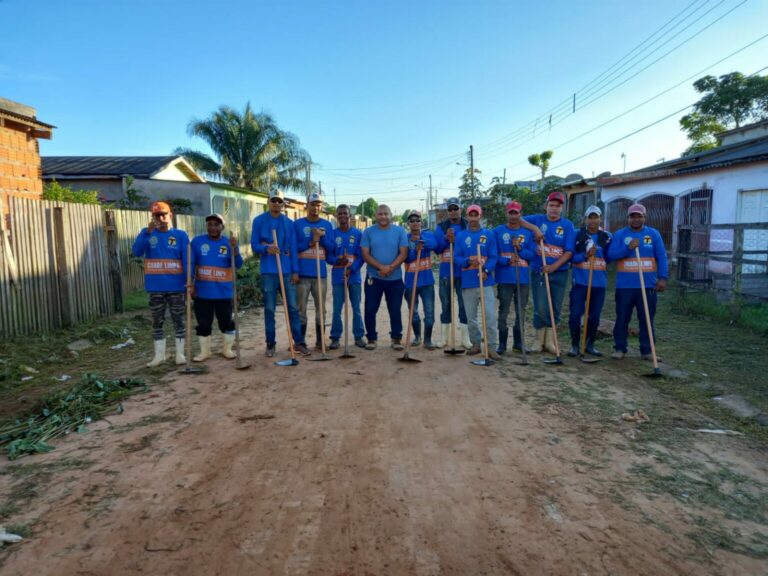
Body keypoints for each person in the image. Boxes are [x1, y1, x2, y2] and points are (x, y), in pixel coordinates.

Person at [250, 190, 310, 357]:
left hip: (286, 271)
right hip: (268, 272)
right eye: (273, 200)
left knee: (292, 308)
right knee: (269, 309)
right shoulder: (259, 221)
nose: (276, 203)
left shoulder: (288, 223)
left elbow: (294, 248)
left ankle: (298, 342)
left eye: (279, 201)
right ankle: (270, 344)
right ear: (268, 202)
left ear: (283, 204)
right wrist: (266, 248)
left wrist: (295, 271)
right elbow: (254, 244)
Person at [131, 201, 189, 367]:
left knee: (178, 319)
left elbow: (187, 259)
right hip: (155, 287)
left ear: (170, 215)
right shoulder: (147, 233)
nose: (161, 217)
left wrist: (189, 280)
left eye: (164, 214)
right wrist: (147, 234)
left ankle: (180, 354)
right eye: (157, 215)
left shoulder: (180, 235)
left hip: (176, 287)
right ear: (152, 217)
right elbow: (136, 252)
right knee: (157, 321)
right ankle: (159, 355)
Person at [607, 203, 668, 360]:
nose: (636, 219)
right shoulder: (620, 234)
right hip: (625, 286)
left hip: (647, 285)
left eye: (639, 216)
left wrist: (662, 278)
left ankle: (647, 351)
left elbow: (661, 256)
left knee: (647, 318)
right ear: (628, 218)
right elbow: (611, 255)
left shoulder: (653, 234)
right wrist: (627, 248)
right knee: (622, 318)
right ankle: (620, 348)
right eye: (633, 216)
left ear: (644, 218)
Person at [524, 190, 576, 354]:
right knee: (541, 307)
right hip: (539, 271)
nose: (554, 209)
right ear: (546, 206)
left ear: (562, 208)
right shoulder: (537, 219)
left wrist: (554, 267)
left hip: (559, 272)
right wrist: (535, 229)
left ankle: (550, 342)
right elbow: (517, 219)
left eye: (558, 206)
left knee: (555, 307)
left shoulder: (567, 225)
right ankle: (538, 341)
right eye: (551, 205)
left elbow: (569, 252)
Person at [189, 213, 243, 362]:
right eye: (210, 224)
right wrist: (190, 284)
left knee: (226, 323)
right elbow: (191, 264)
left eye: (216, 224)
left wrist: (235, 249)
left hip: (223, 293)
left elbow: (238, 264)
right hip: (203, 293)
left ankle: (227, 349)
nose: (212, 227)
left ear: (222, 227)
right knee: (203, 324)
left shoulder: (228, 243)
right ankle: (205, 352)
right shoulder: (197, 242)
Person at [454, 204, 501, 360]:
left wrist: (486, 271)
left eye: (476, 215)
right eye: (470, 215)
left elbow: (494, 256)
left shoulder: (489, 235)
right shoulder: (461, 236)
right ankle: (475, 344)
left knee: (489, 316)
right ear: (467, 217)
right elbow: (457, 258)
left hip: (485, 282)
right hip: (468, 283)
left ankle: (492, 347)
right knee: (471, 317)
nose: (473, 218)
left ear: (480, 216)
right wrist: (468, 261)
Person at [360, 204, 408, 350]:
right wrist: (381, 268)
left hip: (395, 279)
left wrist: (390, 268)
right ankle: (371, 339)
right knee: (370, 309)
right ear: (376, 216)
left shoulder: (400, 231)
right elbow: (365, 254)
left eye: (386, 214)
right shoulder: (368, 232)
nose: (383, 217)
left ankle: (396, 338)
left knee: (395, 309)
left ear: (391, 215)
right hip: (374, 278)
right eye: (380, 214)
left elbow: (403, 253)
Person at [566, 205, 612, 357]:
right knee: (575, 314)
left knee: (594, 316)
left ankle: (589, 344)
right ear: (585, 219)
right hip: (580, 282)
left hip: (599, 283)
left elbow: (611, 256)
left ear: (601, 219)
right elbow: (571, 257)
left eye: (596, 217)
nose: (593, 220)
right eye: (590, 217)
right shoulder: (577, 235)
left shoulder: (607, 236)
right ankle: (574, 345)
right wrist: (585, 256)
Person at [493, 201, 536, 354]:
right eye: (511, 212)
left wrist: (520, 248)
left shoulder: (527, 233)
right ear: (507, 213)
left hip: (522, 279)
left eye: (516, 213)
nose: (513, 215)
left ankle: (518, 343)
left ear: (520, 214)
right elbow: (493, 255)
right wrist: (506, 261)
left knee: (521, 311)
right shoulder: (497, 232)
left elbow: (532, 254)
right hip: (505, 279)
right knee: (504, 311)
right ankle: (502, 344)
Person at [295, 191, 335, 350]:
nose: (315, 207)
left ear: (321, 206)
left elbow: (332, 248)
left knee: (321, 309)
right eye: (313, 204)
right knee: (301, 309)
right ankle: (300, 342)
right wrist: (311, 242)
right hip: (302, 275)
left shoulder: (327, 225)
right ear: (307, 205)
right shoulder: (298, 224)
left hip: (320, 276)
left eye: (318, 204)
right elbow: (293, 248)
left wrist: (322, 238)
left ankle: (320, 341)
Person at [326, 204, 366, 349]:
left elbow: (361, 257)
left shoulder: (358, 234)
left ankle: (359, 336)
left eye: (345, 213)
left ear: (350, 216)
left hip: (354, 277)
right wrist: (337, 261)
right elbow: (328, 256)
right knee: (337, 308)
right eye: (340, 213)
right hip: (338, 276)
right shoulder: (333, 234)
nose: (342, 216)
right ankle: (335, 337)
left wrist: (352, 268)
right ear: (336, 216)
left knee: (356, 307)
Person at [434, 197, 471, 348]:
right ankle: (444, 338)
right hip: (445, 271)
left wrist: (456, 240)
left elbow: (471, 245)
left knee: (464, 305)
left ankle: (465, 339)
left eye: (456, 209)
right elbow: (437, 248)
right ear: (447, 211)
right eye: (450, 209)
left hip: (463, 272)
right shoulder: (441, 226)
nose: (453, 212)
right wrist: (445, 238)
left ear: (461, 210)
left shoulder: (467, 225)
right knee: (446, 304)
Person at [403, 211, 438, 349]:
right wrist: (413, 251)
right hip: (411, 282)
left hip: (427, 282)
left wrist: (421, 242)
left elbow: (434, 245)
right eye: (412, 221)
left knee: (429, 313)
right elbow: (404, 257)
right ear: (408, 224)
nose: (415, 223)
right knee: (413, 312)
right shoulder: (404, 239)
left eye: (417, 220)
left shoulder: (428, 235)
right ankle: (417, 337)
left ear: (421, 222)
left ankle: (427, 340)